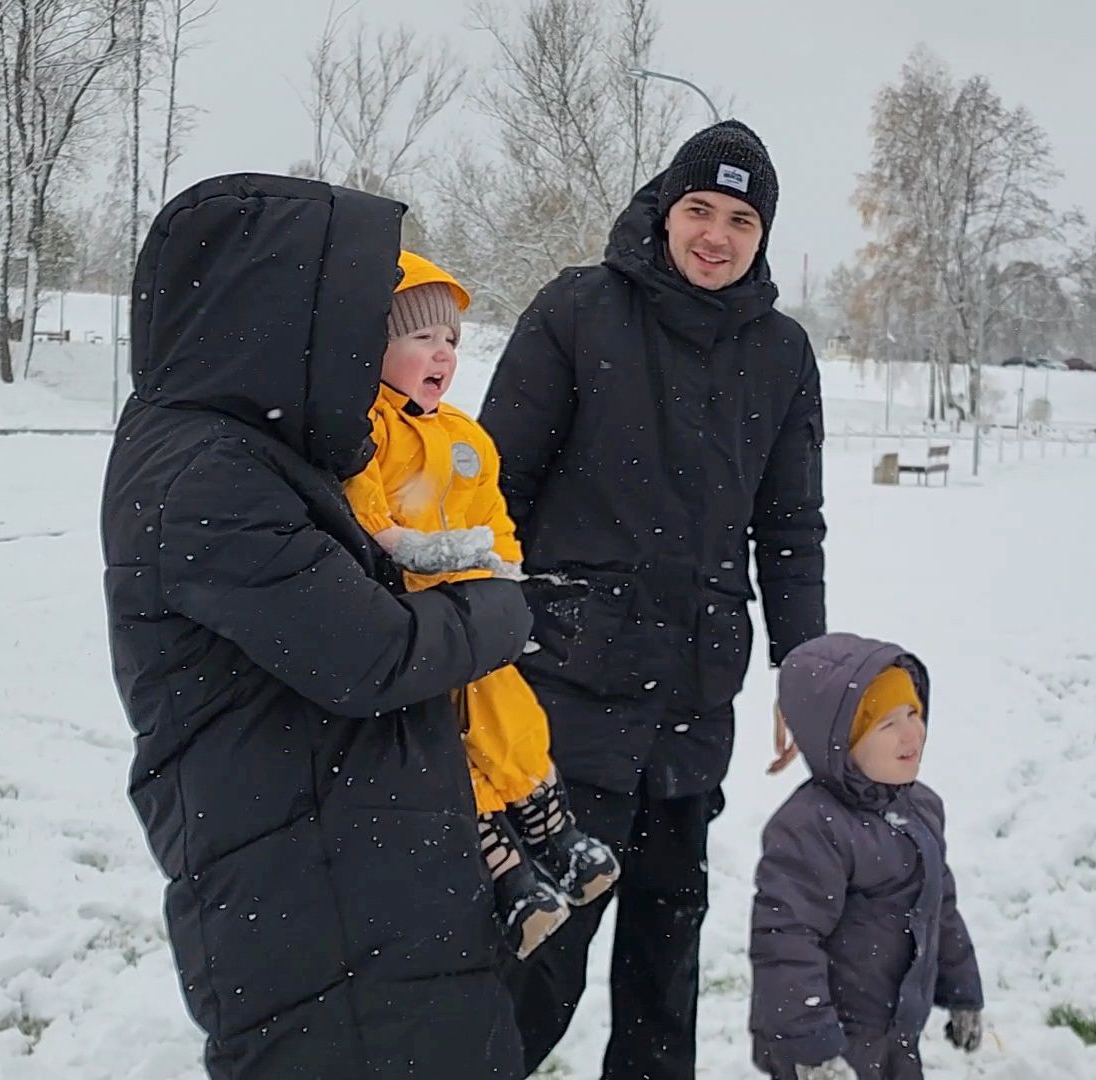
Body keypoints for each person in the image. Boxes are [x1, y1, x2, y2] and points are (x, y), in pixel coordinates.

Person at [101, 174, 533, 1079]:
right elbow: (370, 652)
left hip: (354, 880)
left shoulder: (249, 446)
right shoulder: (207, 473)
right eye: (360, 313)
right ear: (279, 310)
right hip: (313, 907)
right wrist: (498, 606)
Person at [479, 119, 827, 1077]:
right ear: (663, 212)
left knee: (665, 963)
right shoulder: (580, 310)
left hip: (693, 698)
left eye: (741, 220)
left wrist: (804, 669)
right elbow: (494, 488)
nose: (715, 235)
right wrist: (477, 637)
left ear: (764, 236)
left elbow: (791, 528)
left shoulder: (784, 355)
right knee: (541, 959)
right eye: (698, 210)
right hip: (568, 686)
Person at [342, 250, 622, 960]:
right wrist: (417, 550)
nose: (441, 353)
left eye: (452, 341)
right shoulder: (364, 430)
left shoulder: (467, 438)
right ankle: (501, 862)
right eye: (419, 338)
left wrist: (505, 574)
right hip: (412, 623)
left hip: (471, 618)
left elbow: (494, 519)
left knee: (510, 713)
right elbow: (371, 518)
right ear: (374, 346)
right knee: (444, 739)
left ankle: (547, 821)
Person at [749, 633, 984, 1080]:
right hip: (833, 1041)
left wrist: (962, 991)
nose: (911, 732)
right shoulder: (811, 829)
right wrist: (814, 1048)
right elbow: (786, 939)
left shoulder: (921, 809)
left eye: (913, 712)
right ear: (839, 744)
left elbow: (939, 907)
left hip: (895, 1032)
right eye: (887, 724)